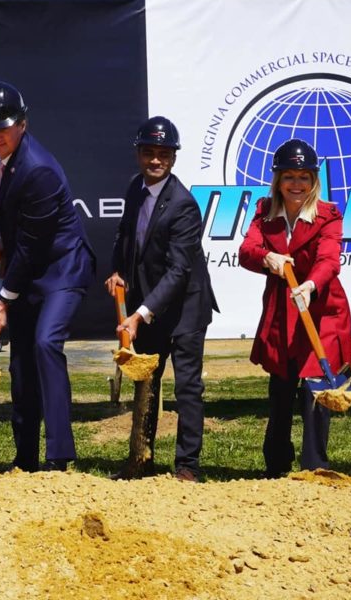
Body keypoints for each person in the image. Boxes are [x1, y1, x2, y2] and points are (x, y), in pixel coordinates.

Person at [0, 81, 96, 472]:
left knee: (46, 344)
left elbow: (34, 244)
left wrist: (2, 299)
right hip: (27, 265)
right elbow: (14, 221)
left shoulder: (39, 169)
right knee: (21, 361)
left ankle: (59, 456)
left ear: (23, 124)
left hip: (62, 268)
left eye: (4, 127)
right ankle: (25, 457)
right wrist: (3, 239)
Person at [106, 116, 216, 481]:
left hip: (185, 309)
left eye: (164, 154)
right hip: (148, 304)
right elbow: (125, 235)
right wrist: (117, 269)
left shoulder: (183, 205)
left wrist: (140, 313)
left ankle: (187, 466)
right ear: (139, 154)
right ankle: (140, 460)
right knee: (146, 383)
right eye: (149, 152)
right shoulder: (135, 188)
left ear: (173, 157)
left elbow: (178, 272)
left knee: (187, 387)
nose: (156, 160)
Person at [237, 139, 351, 477]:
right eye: (289, 177)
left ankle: (315, 466)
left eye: (304, 177)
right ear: (278, 180)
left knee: (316, 391)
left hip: (320, 310)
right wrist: (266, 257)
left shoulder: (328, 214)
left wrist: (311, 284)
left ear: (314, 180)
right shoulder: (264, 212)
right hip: (281, 313)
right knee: (280, 389)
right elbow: (247, 251)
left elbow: (330, 259)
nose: (296, 185)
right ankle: (276, 465)